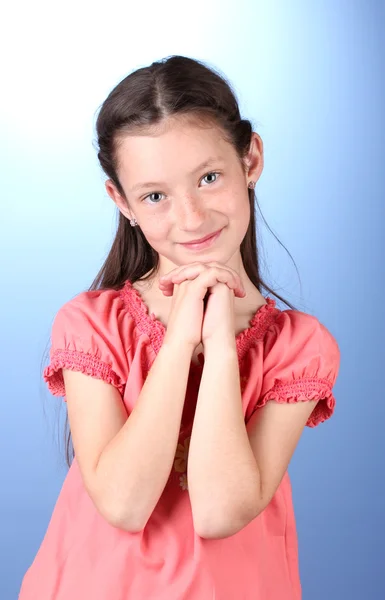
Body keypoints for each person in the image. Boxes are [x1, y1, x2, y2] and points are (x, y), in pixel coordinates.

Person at [19, 55, 340, 600]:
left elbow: (219, 511)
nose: (190, 217)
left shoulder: (298, 348)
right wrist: (181, 339)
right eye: (155, 196)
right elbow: (123, 504)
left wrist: (219, 342)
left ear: (251, 159)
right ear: (121, 201)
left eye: (209, 177)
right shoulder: (92, 325)